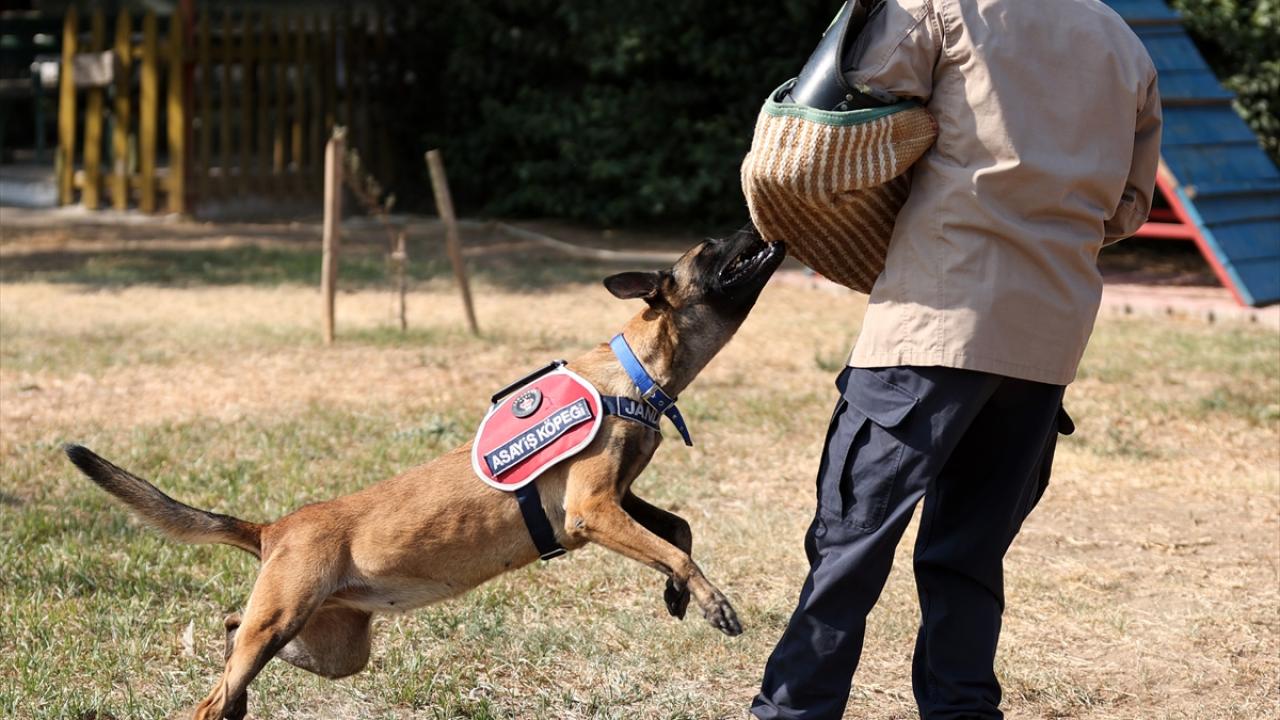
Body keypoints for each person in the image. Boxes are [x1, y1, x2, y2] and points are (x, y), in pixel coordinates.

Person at [750, 0, 1162, 718]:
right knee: (968, 559)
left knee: (850, 545)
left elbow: (826, 130)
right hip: (1046, 338)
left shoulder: (936, 4)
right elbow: (1127, 208)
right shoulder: (1123, 42)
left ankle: (792, 712)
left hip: (933, 322)